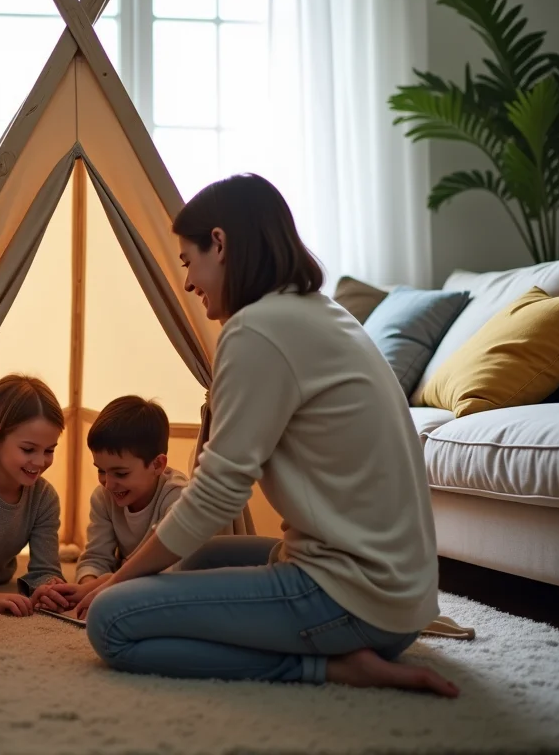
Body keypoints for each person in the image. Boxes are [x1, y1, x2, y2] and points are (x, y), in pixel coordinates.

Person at [73, 173, 459, 698]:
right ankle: (321, 642)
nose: (188, 283)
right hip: (397, 596)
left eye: (189, 261)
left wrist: (115, 584)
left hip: (354, 601)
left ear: (221, 243)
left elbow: (216, 492)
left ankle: (326, 668)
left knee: (112, 622)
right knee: (203, 556)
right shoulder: (319, 313)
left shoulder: (257, 329)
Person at [49, 396, 187, 608]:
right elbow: (96, 557)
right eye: (101, 471)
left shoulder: (178, 497)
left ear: (157, 465)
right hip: (125, 581)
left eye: (120, 473)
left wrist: (106, 583)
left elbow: (171, 572)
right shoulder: (103, 497)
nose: (109, 484)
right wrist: (87, 585)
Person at [0, 374, 70, 616]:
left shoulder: (44, 497)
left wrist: (49, 587)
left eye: (49, 450)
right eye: (28, 449)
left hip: (0, 580)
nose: (40, 461)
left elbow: (46, 568)